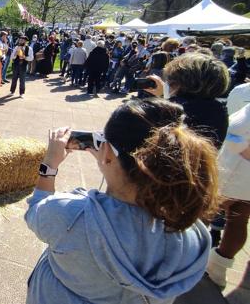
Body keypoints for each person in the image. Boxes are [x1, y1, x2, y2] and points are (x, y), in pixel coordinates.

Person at [26, 98, 219, 304]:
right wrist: (111, 160)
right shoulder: (193, 236)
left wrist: (50, 164)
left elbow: (36, 209)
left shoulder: (69, 215)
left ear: (108, 153)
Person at [206, 104, 250, 288]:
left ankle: (188, 258)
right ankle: (217, 269)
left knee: (202, 212)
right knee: (238, 221)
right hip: (240, 176)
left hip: (235, 173)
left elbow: (234, 134)